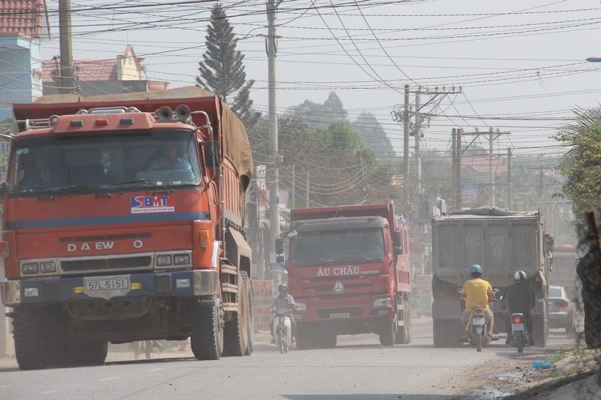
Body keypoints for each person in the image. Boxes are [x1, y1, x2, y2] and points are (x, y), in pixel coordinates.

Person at [575, 244, 601, 349]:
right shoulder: (580, 267)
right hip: (588, 293)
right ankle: (590, 342)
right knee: (589, 316)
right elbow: (586, 282)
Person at [460, 264, 496, 339]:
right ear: (481, 274)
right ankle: (490, 332)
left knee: (464, 319)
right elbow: (492, 295)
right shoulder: (486, 283)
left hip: (470, 309)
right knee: (491, 318)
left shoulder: (467, 283)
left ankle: (466, 334)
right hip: (484, 308)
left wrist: (463, 299)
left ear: (471, 274)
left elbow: (462, 296)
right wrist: (492, 299)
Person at [501, 270, 536, 346]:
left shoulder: (510, 288)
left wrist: (503, 306)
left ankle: (509, 335)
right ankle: (530, 336)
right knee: (529, 321)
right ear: (525, 279)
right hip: (525, 311)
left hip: (513, 311)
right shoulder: (528, 288)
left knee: (507, 319)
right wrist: (532, 306)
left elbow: (504, 300)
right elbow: (533, 299)